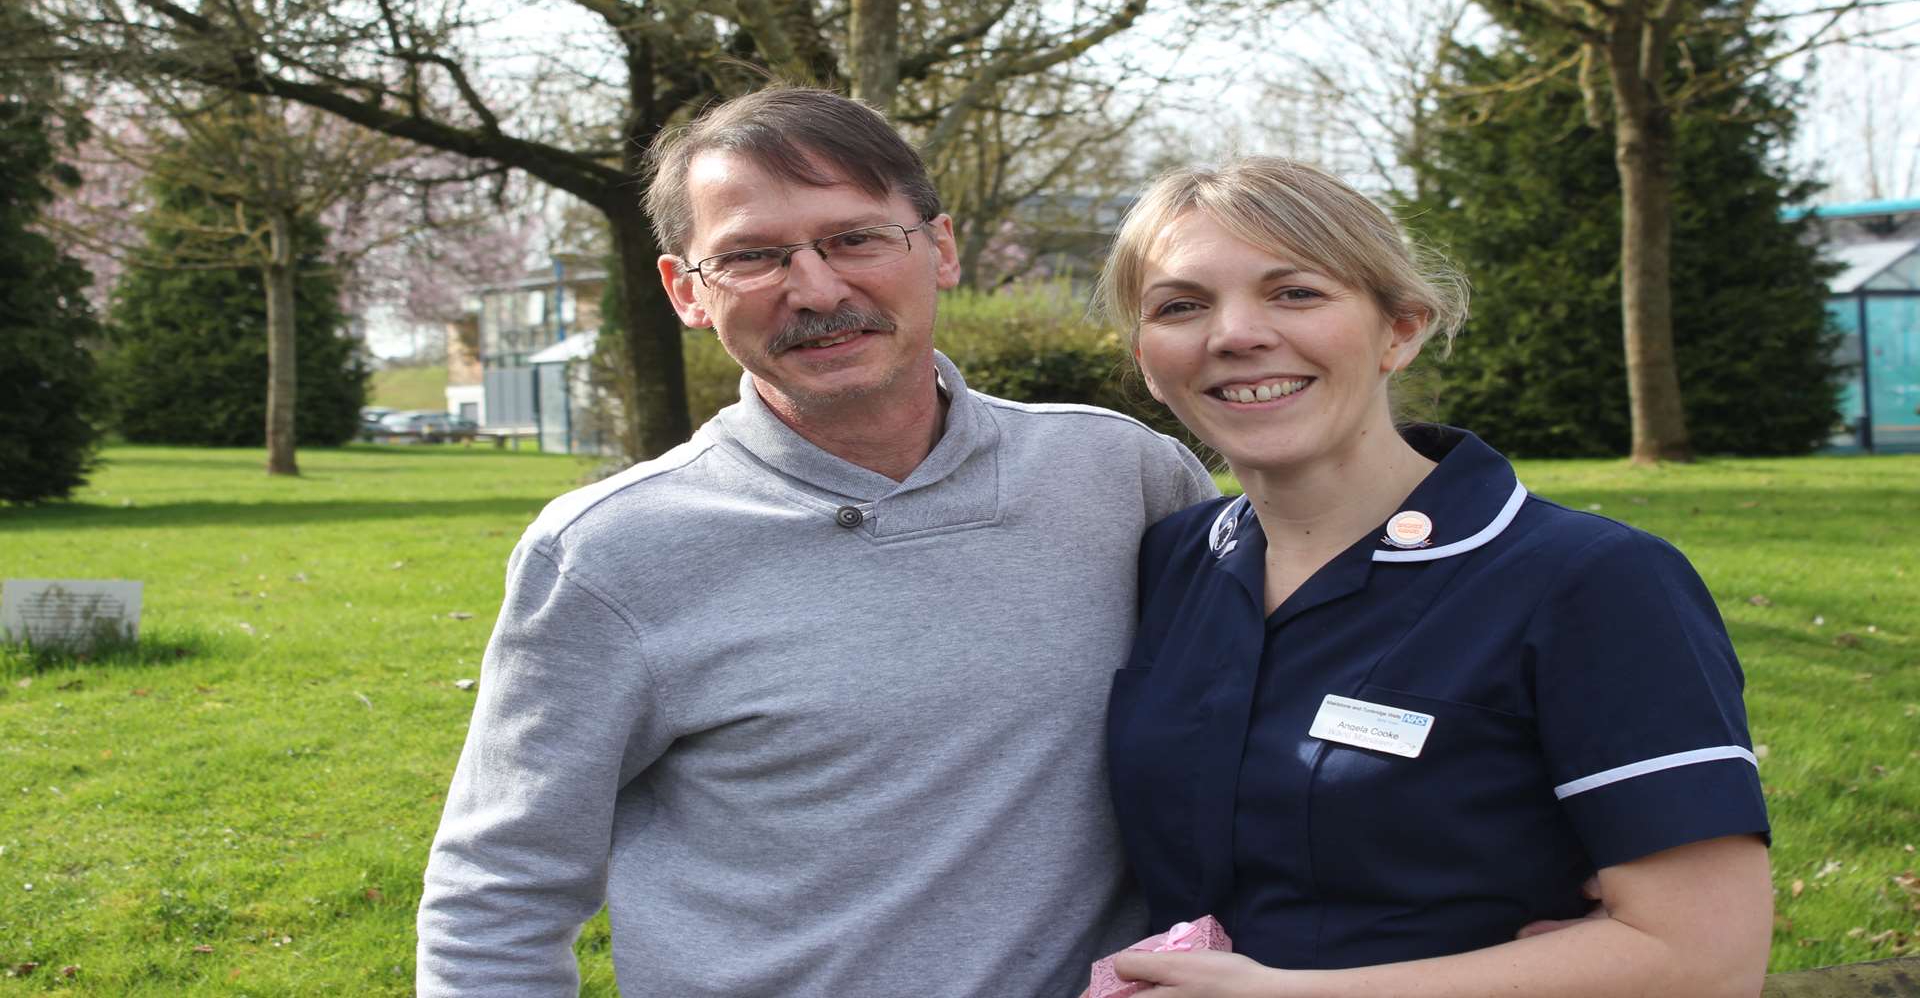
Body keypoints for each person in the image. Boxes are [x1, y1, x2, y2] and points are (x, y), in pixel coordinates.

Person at [413, 86, 1217, 997]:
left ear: (941, 249)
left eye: (856, 238)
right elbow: (498, 898)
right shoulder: (609, 554)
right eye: (752, 256)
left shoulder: (1121, 476)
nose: (818, 289)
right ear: (687, 293)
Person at [1092, 157, 1774, 997]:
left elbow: (1709, 960)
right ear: (1147, 356)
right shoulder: (1171, 562)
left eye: (1295, 292)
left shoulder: (1593, 582)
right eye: (1181, 306)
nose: (1234, 334)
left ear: (1401, 327)